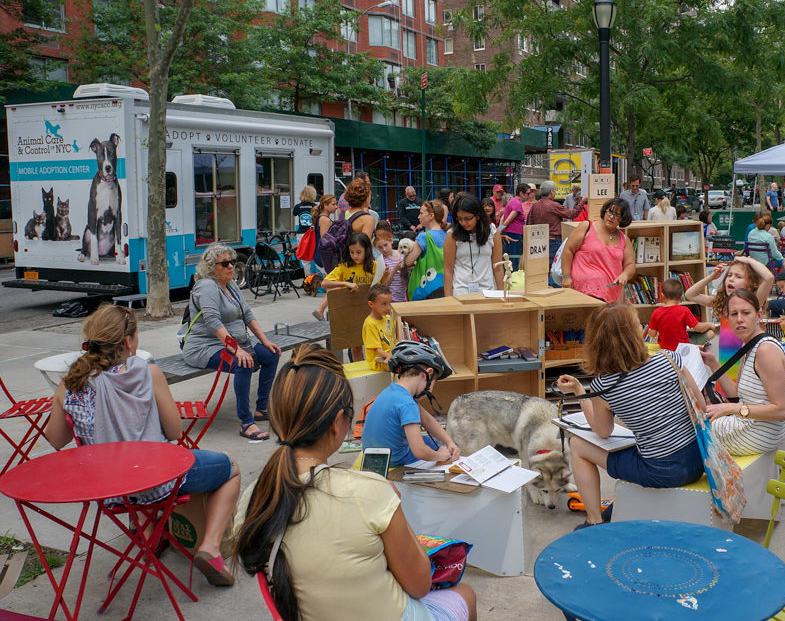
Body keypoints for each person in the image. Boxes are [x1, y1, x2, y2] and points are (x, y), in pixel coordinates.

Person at [233, 345, 476, 621]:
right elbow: (420, 585)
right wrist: (394, 509)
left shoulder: (256, 495)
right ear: (339, 423)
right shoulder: (369, 493)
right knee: (466, 594)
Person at [48, 305, 240, 587]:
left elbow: (56, 439)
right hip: (158, 483)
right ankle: (210, 547)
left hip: (108, 491)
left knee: (129, 463)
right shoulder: (149, 374)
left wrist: (61, 398)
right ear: (127, 342)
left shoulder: (71, 384)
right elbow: (174, 432)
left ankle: (149, 531)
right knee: (230, 468)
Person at [555, 304, 704, 527]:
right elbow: (700, 407)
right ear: (635, 334)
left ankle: (594, 521)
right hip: (698, 459)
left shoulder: (604, 386)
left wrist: (580, 392)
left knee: (577, 445)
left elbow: (603, 432)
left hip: (661, 471)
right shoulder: (670, 359)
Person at [182, 244, 281, 442]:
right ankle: (246, 421)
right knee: (243, 362)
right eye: (225, 263)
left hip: (235, 343)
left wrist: (264, 340)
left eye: (233, 262)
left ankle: (262, 408)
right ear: (211, 267)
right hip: (205, 346)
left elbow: (248, 315)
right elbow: (213, 322)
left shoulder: (231, 285)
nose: (231, 267)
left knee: (271, 354)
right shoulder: (207, 286)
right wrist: (235, 350)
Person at [699, 289, 785, 454]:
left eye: (746, 313)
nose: (739, 319)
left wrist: (731, 409)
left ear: (759, 315)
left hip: (758, 434)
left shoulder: (765, 351)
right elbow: (735, 392)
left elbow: (782, 410)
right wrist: (712, 363)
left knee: (689, 432)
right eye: (734, 314)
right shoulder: (749, 345)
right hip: (751, 425)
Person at [361, 341, 462, 467]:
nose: (431, 390)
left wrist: (449, 442)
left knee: (430, 441)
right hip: (394, 461)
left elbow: (426, 419)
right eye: (434, 383)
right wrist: (441, 455)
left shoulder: (391, 392)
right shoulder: (407, 404)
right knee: (433, 446)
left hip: (373, 457)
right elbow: (420, 451)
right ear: (427, 374)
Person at [685, 256, 774, 389]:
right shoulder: (724, 304)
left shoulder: (753, 303)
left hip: (745, 371)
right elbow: (690, 294)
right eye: (729, 275)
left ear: (752, 284)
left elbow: (769, 278)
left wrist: (748, 260)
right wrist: (711, 277)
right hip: (725, 368)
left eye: (738, 276)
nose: (731, 278)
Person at [560, 198, 636, 303]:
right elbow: (568, 250)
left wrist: (625, 275)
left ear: (622, 219)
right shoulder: (587, 226)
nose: (612, 217)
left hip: (611, 295)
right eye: (610, 212)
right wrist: (566, 277)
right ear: (605, 211)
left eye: (617, 215)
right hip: (582, 292)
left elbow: (630, 264)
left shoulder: (624, 239)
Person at [444, 194, 503, 296]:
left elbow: (498, 268)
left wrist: (503, 295)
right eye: (460, 219)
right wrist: (448, 299)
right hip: (460, 292)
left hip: (488, 292)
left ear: (478, 215)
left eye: (468, 218)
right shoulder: (452, 236)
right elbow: (448, 270)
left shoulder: (493, 233)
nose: (464, 222)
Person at [527, 180, 581, 270]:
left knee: (541, 268)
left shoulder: (535, 205)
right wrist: (582, 202)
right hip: (553, 240)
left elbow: (529, 223)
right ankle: (552, 284)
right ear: (551, 191)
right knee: (554, 267)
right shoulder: (554, 205)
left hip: (537, 241)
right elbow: (572, 214)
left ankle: (545, 283)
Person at [648, 278, 714, 350]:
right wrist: (709, 324)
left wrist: (649, 331)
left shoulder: (656, 312)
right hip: (683, 347)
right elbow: (698, 328)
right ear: (681, 297)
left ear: (662, 296)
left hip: (665, 348)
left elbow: (652, 334)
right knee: (711, 333)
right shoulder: (684, 310)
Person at [404, 200, 448, 299]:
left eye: (421, 213)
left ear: (431, 216)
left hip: (428, 290)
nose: (418, 217)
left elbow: (408, 261)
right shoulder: (448, 235)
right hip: (446, 286)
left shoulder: (424, 237)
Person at [322, 232, 393, 294]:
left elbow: (383, 287)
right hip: (350, 306)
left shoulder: (375, 265)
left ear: (366, 250)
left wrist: (385, 276)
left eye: (358, 252)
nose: (355, 256)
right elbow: (324, 284)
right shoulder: (344, 266)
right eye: (352, 252)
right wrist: (346, 283)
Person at [310, 194, 340, 321]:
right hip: (326, 258)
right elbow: (325, 240)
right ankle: (321, 309)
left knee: (332, 286)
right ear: (325, 205)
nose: (336, 206)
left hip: (321, 257)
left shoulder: (321, 218)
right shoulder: (325, 220)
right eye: (333, 204)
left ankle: (324, 310)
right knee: (333, 286)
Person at [498, 183, 534, 269]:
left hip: (512, 233)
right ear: (521, 193)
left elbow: (504, 218)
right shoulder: (517, 203)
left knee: (510, 257)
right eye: (527, 193)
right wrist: (498, 231)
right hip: (513, 235)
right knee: (514, 258)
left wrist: (499, 230)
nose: (529, 196)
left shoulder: (513, 201)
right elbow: (507, 220)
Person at [362, 284, 395, 373]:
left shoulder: (387, 318)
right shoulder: (370, 324)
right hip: (379, 361)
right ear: (371, 304)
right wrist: (389, 356)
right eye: (384, 304)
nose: (388, 307)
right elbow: (377, 350)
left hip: (391, 355)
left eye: (389, 303)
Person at [374, 222, 407, 303]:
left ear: (391, 240)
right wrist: (395, 269)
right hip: (390, 301)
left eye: (386, 245)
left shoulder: (402, 255)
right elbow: (385, 284)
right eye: (380, 247)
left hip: (403, 298)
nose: (384, 249)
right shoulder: (381, 261)